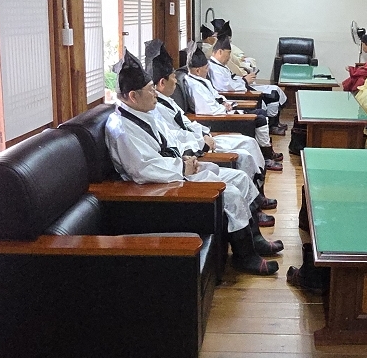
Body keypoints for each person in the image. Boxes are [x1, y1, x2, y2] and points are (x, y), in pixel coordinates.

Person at [105, 51, 284, 276]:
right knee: (230, 192)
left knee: (239, 178)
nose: (155, 94)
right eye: (150, 90)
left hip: (177, 168)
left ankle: (254, 239)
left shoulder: (144, 113)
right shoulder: (121, 129)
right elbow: (143, 169)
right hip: (157, 186)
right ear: (133, 96)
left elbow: (171, 139)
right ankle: (244, 255)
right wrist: (182, 167)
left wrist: (187, 156)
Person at [145, 39, 274, 193]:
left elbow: (187, 123)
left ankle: (259, 184)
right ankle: (257, 192)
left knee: (250, 143)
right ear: (161, 83)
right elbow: (179, 134)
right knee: (244, 158)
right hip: (193, 150)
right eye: (173, 77)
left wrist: (205, 133)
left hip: (202, 138)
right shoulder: (156, 110)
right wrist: (202, 142)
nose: (176, 81)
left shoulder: (168, 101)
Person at [180, 41, 282, 169]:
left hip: (223, 112)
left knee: (261, 113)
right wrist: (224, 107)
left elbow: (216, 95)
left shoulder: (201, 80)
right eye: (206, 68)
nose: (208, 70)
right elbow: (207, 110)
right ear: (198, 70)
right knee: (260, 119)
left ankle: (267, 152)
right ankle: (266, 156)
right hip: (217, 120)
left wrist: (225, 103)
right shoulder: (194, 86)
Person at [208, 34, 289, 136]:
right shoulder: (215, 69)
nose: (229, 57)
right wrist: (245, 81)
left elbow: (231, 79)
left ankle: (274, 124)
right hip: (236, 95)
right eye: (228, 54)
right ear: (220, 52)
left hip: (241, 87)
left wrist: (244, 79)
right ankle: (272, 127)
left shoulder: (219, 65)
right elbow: (225, 87)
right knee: (272, 95)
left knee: (274, 90)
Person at [341, 27, 367, 92]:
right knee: (354, 78)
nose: (362, 47)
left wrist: (353, 70)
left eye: (363, 45)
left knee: (359, 80)